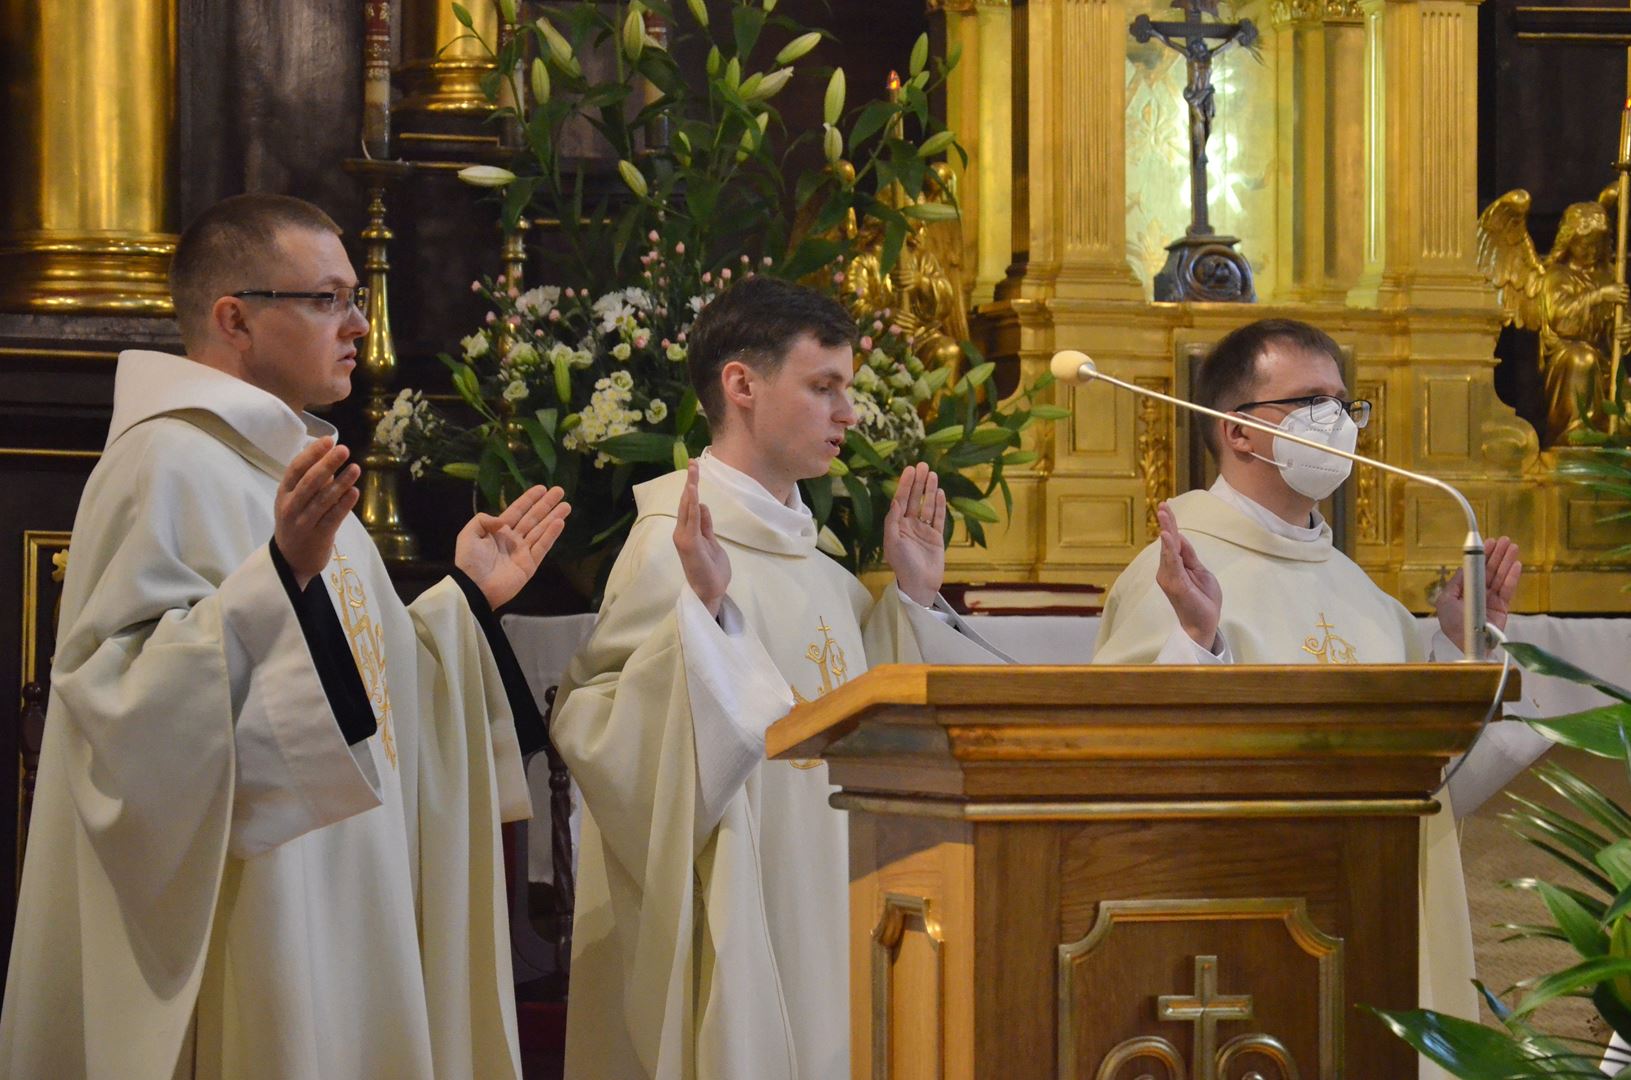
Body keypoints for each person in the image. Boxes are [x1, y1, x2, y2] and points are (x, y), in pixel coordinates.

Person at [0, 194, 571, 1080]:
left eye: (355, 298)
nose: (358, 324)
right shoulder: (168, 462)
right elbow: (116, 706)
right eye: (329, 299)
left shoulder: (291, 465)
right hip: (262, 898)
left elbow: (372, 688)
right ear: (235, 317)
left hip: (347, 881)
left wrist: (463, 602)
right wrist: (279, 578)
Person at [552, 275, 998, 1080]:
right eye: (823, 387)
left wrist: (913, 598)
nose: (849, 415)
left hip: (838, 894)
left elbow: (867, 718)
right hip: (745, 912)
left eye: (848, 389)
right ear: (741, 386)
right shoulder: (673, 546)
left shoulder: (822, 571)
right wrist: (710, 619)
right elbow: (597, 732)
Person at [1091, 318, 1521, 1080]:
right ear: (1237, 432)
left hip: (1379, 914)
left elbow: (1432, 779)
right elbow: (1129, 765)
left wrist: (1461, 648)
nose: (1337, 424)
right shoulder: (1178, 572)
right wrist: (1199, 643)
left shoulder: (1357, 591)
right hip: (1261, 932)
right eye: (1309, 401)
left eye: (1344, 405)